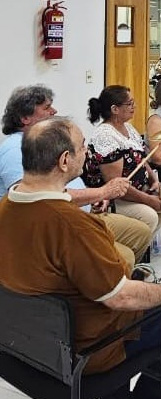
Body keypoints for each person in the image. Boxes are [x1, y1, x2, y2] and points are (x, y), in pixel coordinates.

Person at [0, 117, 161, 399]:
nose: (88, 152)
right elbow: (121, 297)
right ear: (65, 160)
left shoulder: (7, 206)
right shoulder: (74, 227)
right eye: (83, 146)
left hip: (21, 347)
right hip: (86, 353)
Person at [0, 85, 151, 268]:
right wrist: (101, 193)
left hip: (86, 212)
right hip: (62, 225)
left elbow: (59, 184)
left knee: (141, 232)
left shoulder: (39, 143)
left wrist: (93, 196)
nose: (54, 111)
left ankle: (119, 280)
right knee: (124, 257)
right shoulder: (15, 149)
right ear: (25, 118)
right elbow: (36, 199)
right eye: (47, 108)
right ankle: (113, 286)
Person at [85, 85, 161, 236]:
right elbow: (115, 185)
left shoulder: (128, 127)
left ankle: (144, 241)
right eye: (130, 104)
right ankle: (135, 246)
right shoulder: (105, 136)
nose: (134, 106)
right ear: (115, 109)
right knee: (150, 215)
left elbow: (141, 158)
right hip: (115, 199)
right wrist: (148, 199)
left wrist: (154, 180)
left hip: (138, 189)